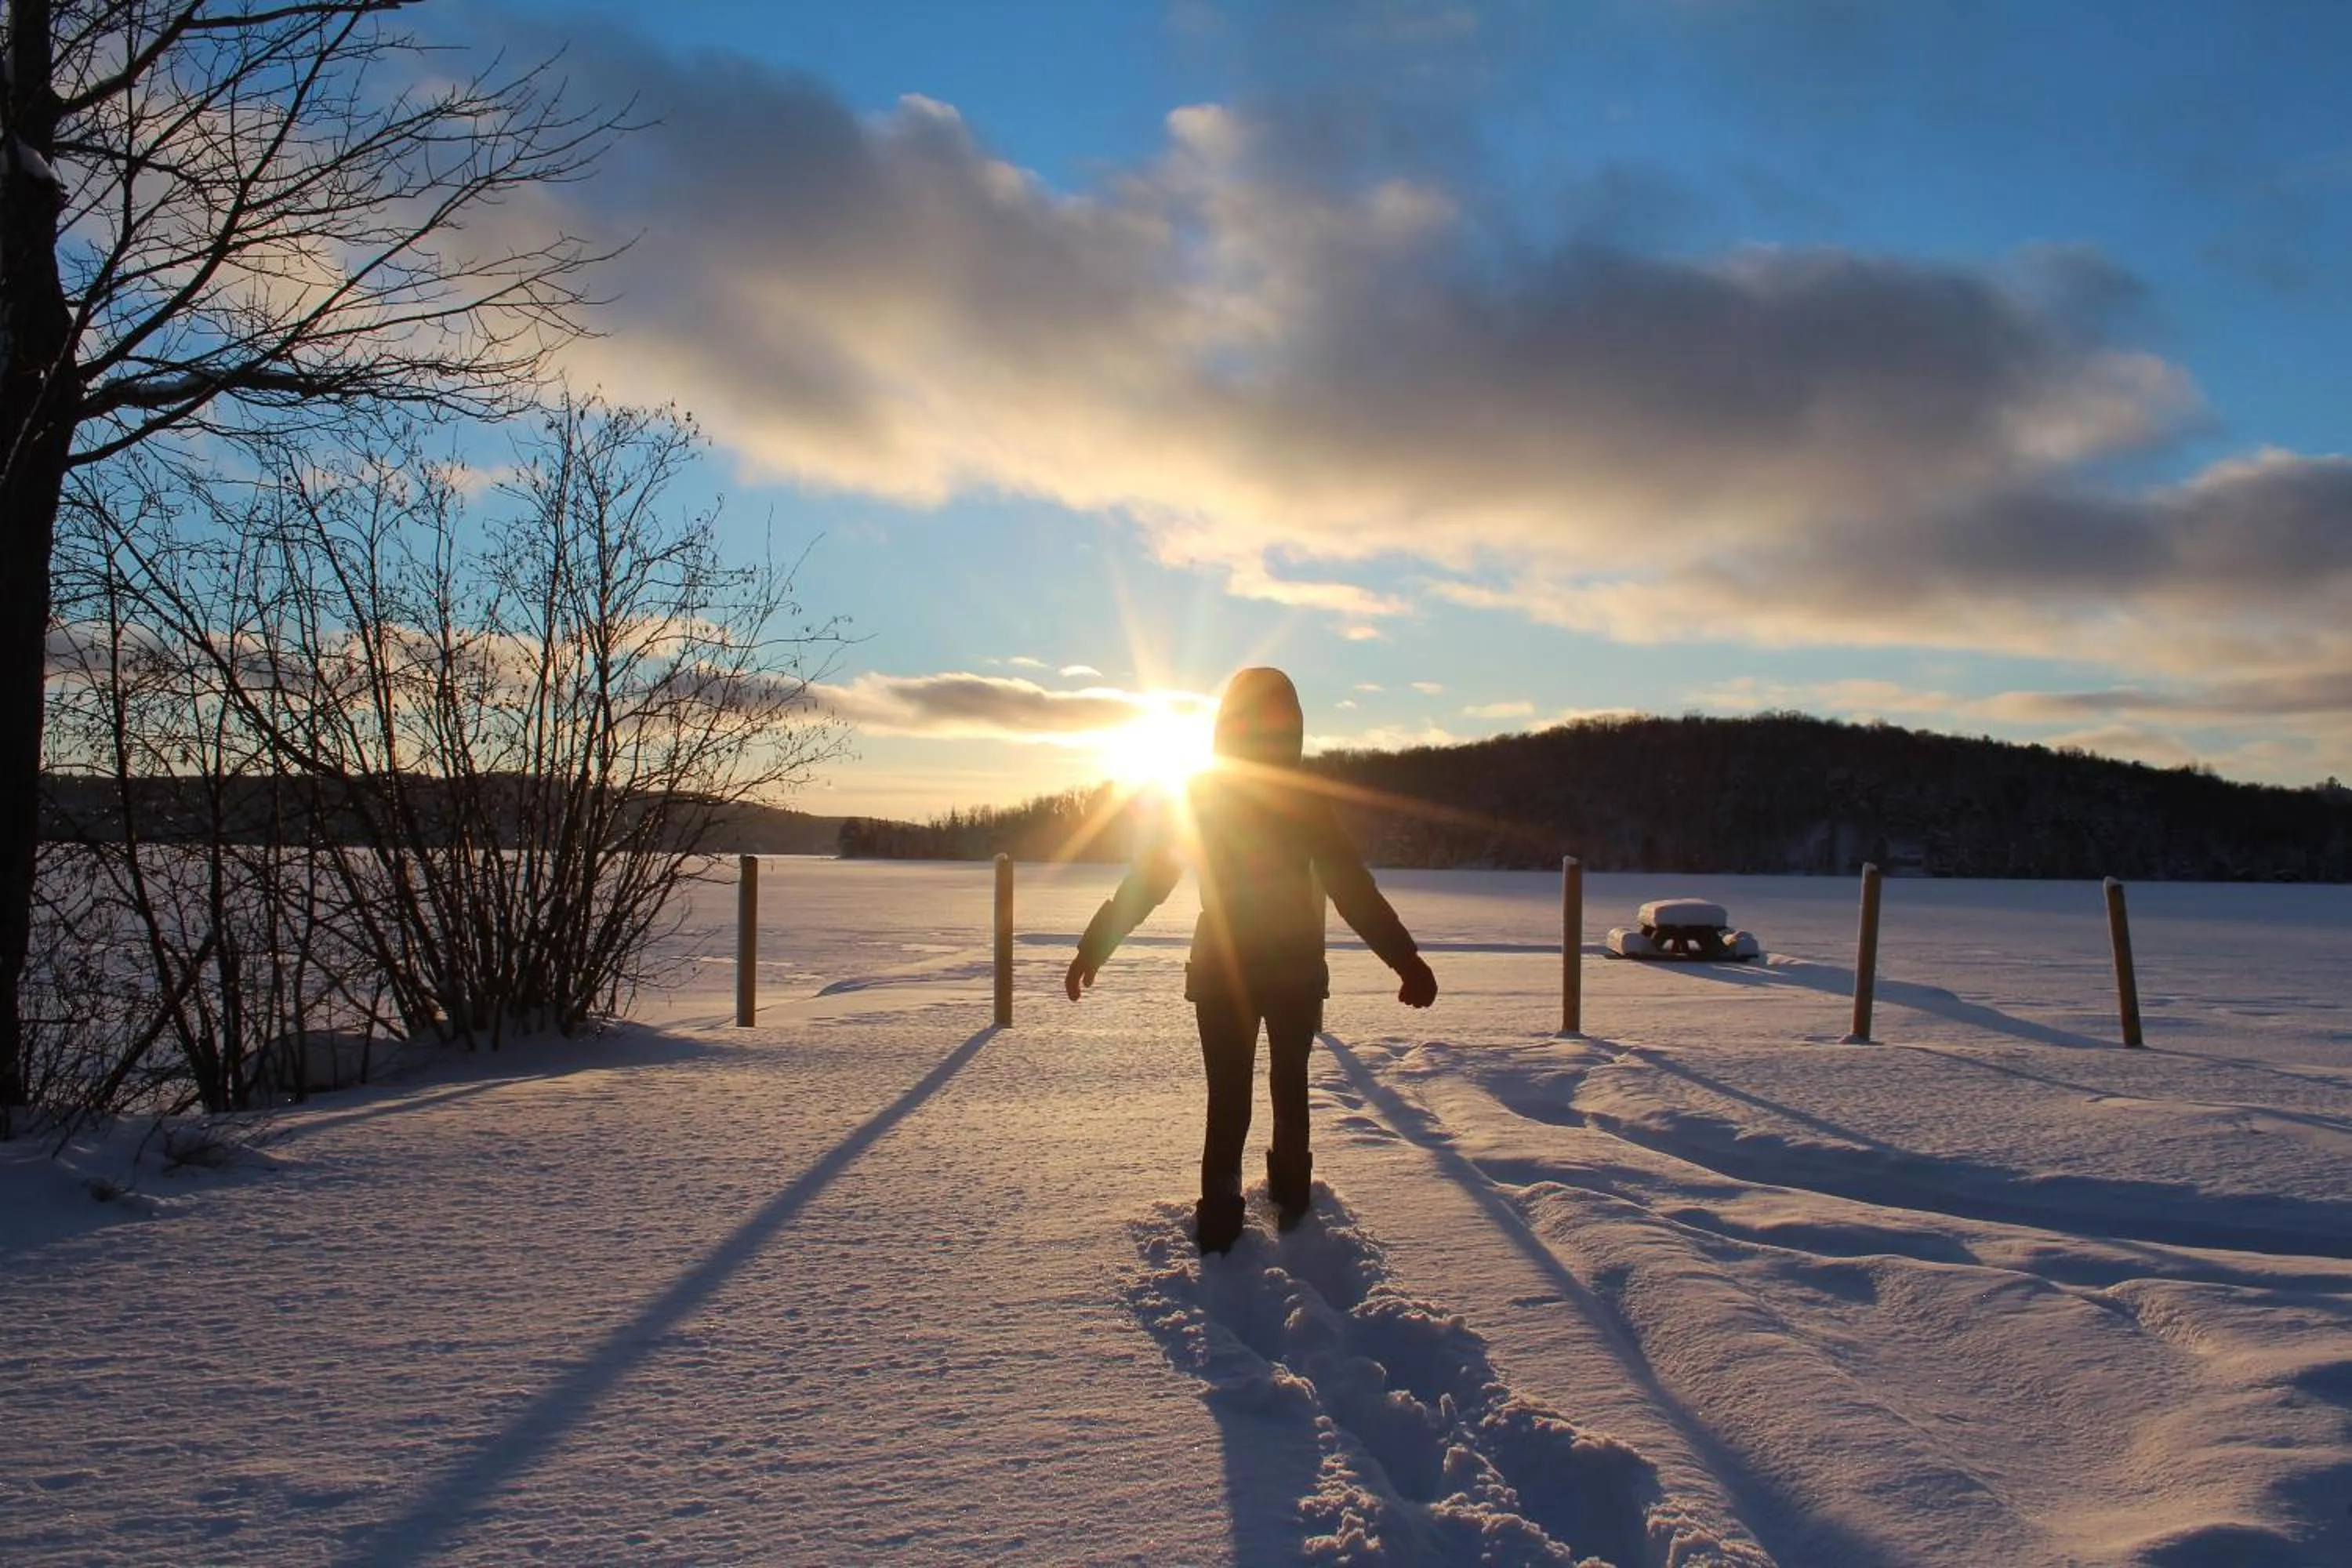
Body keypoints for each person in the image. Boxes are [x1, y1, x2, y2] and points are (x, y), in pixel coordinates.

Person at [1064, 667, 1438, 1254]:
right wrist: (1406, 961)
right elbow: (1351, 889)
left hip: (1229, 972)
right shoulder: (1294, 799)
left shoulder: (1208, 794)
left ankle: (1225, 1221)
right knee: (1279, 1088)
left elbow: (1151, 879)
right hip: (1272, 972)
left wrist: (1407, 959)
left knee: (1237, 1096)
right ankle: (1282, 1202)